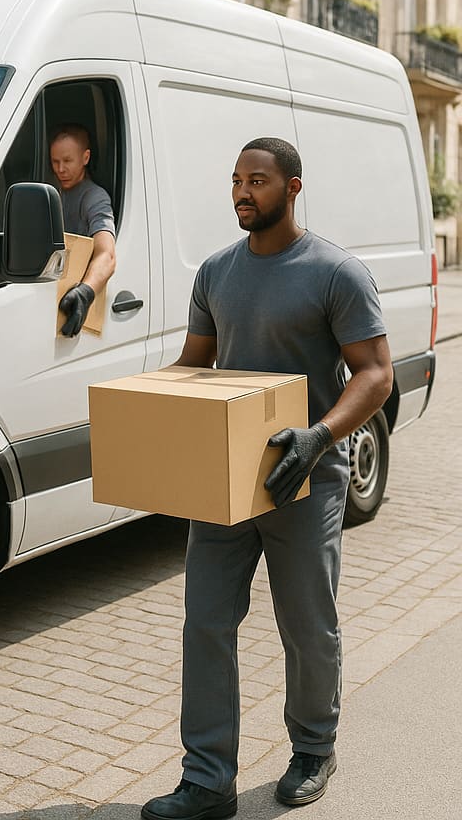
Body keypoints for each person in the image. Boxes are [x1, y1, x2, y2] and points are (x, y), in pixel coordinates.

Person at [142, 137, 393, 820]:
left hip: (306, 475)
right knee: (206, 625)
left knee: (307, 626)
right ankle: (206, 780)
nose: (242, 193)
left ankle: (314, 748)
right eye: (235, 181)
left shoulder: (334, 271)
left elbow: (375, 374)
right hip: (224, 477)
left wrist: (318, 437)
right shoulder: (216, 272)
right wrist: (132, 403)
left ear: (293, 187)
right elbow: (195, 365)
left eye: (257, 181)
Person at [49, 124, 117, 337]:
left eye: (67, 161)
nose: (60, 169)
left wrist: (85, 293)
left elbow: (108, 254)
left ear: (85, 158)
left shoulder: (95, 198)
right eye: (55, 161)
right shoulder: (52, 192)